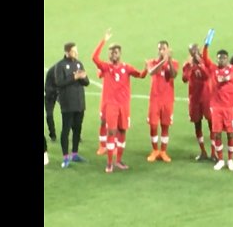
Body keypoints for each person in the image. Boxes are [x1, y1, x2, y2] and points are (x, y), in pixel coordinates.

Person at [92, 29, 147, 173]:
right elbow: (94, 58)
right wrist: (103, 40)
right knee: (111, 132)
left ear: (120, 54)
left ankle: (119, 160)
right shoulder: (106, 67)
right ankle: (109, 163)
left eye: (115, 52)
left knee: (122, 132)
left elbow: (141, 75)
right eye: (110, 52)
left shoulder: (126, 68)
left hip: (124, 106)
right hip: (111, 105)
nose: (112, 54)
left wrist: (146, 69)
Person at [203, 44, 233, 171]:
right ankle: (220, 160)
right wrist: (206, 46)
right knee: (217, 134)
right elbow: (205, 58)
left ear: (227, 59)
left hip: (229, 108)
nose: (221, 60)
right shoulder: (213, 69)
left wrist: (224, 77)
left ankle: (230, 160)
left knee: (230, 134)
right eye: (219, 58)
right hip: (217, 108)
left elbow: (230, 77)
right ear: (217, 59)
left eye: (223, 58)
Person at [54, 42, 90, 168]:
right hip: (68, 104)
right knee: (66, 130)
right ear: (67, 52)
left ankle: (75, 153)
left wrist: (83, 77)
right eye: (74, 51)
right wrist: (74, 77)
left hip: (80, 103)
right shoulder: (60, 66)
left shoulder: (79, 63)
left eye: (76, 50)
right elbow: (59, 82)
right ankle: (65, 157)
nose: (76, 52)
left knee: (77, 129)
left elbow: (86, 82)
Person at [146, 40, 179, 163]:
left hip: (167, 100)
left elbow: (173, 75)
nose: (161, 51)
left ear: (168, 49)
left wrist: (169, 60)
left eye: (163, 49)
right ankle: (155, 150)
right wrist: (162, 61)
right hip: (155, 99)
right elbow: (151, 72)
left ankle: (163, 151)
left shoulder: (174, 63)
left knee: (165, 126)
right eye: (159, 49)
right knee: (153, 126)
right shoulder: (151, 62)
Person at [182, 43, 216, 161]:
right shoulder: (188, 64)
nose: (194, 53)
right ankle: (203, 151)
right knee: (197, 125)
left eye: (196, 50)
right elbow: (184, 79)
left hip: (207, 98)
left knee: (212, 125)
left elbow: (207, 76)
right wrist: (190, 66)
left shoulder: (205, 62)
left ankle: (213, 152)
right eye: (192, 51)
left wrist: (201, 65)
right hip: (194, 100)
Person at [44, 64, 59, 142]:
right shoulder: (54, 70)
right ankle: (52, 135)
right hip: (50, 93)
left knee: (69, 112)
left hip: (59, 91)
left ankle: (77, 135)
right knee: (49, 114)